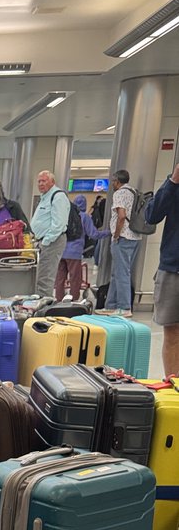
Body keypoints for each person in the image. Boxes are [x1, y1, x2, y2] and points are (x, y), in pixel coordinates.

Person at [145, 161, 179, 377]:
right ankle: (173, 389)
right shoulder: (173, 185)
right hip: (173, 267)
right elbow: (151, 215)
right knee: (172, 332)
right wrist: (173, 180)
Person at [55, 194, 108, 302]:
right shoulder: (84, 217)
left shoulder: (66, 215)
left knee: (60, 278)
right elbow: (94, 234)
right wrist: (109, 232)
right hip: (74, 253)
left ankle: (58, 300)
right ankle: (73, 300)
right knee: (75, 279)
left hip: (61, 251)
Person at [29, 170, 71, 297]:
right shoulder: (45, 197)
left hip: (52, 241)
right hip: (42, 241)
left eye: (44, 181)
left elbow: (59, 224)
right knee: (40, 276)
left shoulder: (58, 197)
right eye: (39, 181)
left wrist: (46, 241)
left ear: (52, 182)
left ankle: (44, 307)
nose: (40, 184)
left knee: (45, 278)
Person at [106, 169, 140, 316]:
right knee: (118, 272)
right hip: (135, 237)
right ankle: (111, 305)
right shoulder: (134, 192)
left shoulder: (119, 193)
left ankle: (124, 307)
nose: (112, 184)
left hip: (123, 237)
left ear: (117, 181)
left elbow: (121, 216)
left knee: (121, 273)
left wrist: (116, 235)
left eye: (113, 181)